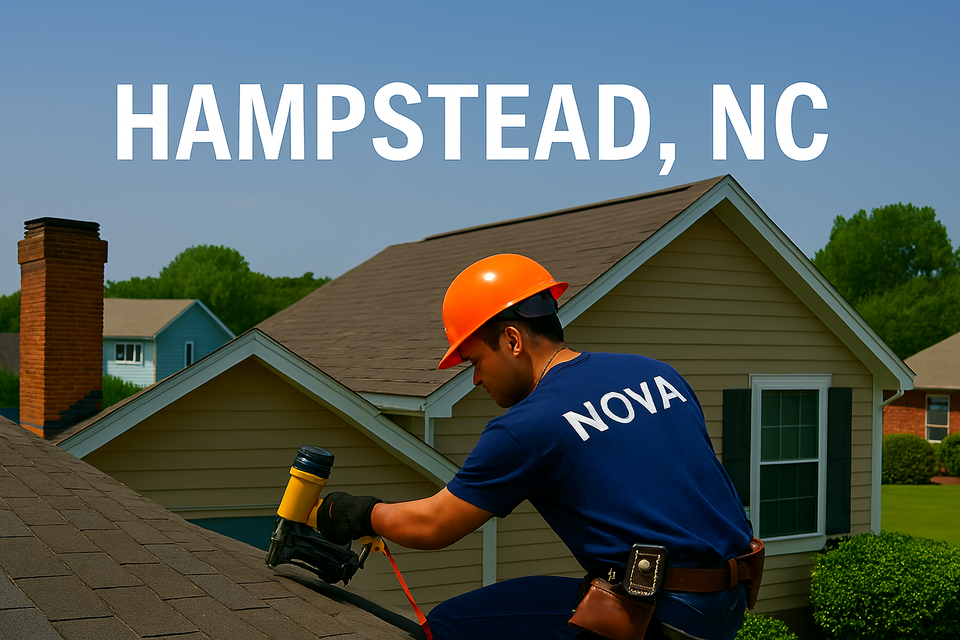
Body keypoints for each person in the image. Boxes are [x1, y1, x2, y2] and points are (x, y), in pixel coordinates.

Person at [318, 254, 757, 640]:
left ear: (512, 340)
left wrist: (355, 512)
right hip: (731, 597)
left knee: (452, 624)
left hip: (665, 615)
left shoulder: (527, 426)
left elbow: (433, 525)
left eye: (474, 362)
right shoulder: (657, 373)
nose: (474, 379)